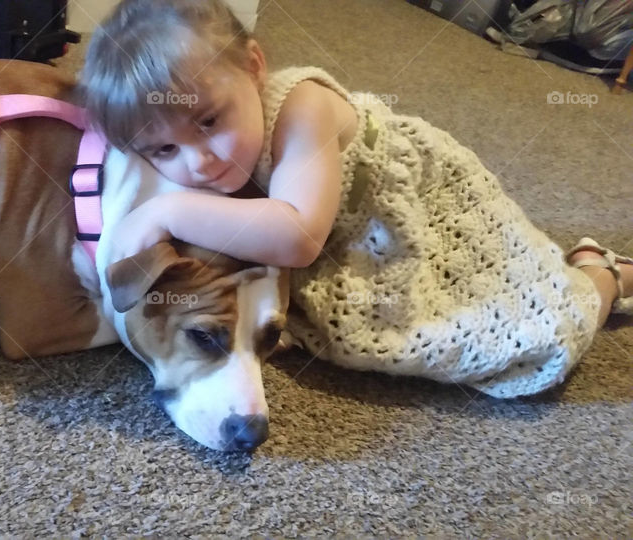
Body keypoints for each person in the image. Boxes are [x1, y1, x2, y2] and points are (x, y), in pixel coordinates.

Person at [78, 0, 632, 397]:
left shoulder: (302, 109)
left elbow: (296, 236)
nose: (199, 161)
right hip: (343, 229)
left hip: (419, 212)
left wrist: (165, 211)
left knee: (526, 337)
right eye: (165, 148)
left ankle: (602, 273)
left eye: (208, 120)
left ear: (252, 67)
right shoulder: (210, 148)